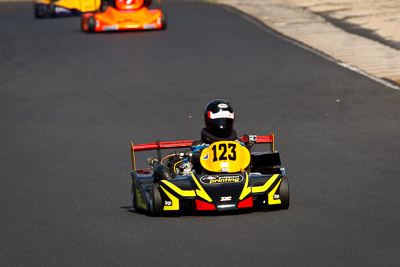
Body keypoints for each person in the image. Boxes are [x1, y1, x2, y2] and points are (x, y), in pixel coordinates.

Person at [191, 99, 244, 174]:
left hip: (238, 176)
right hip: (207, 178)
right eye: (218, 119)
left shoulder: (239, 143)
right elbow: (194, 161)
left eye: (225, 119)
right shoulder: (199, 145)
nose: (222, 123)